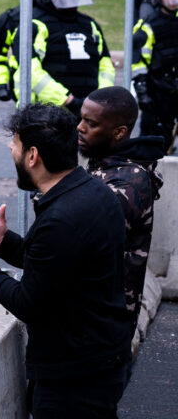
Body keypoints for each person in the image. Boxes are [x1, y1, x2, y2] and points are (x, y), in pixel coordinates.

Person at [0, 102, 132, 418]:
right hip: (100, 359)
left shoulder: (61, 218)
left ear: (32, 156)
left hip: (74, 378)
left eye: (16, 144)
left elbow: (28, 302)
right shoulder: (91, 190)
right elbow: (57, 268)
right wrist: (3, 240)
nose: (10, 149)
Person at [78, 86, 165, 339]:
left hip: (105, 325)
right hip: (92, 316)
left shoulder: (129, 181)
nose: (79, 128)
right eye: (81, 118)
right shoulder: (105, 164)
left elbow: (82, 232)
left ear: (119, 132)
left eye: (90, 123)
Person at [12, 0, 115, 116]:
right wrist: (68, 101)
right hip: (47, 112)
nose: (72, 2)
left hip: (89, 110)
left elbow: (105, 65)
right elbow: (30, 71)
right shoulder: (33, 25)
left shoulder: (90, 24)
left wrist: (99, 100)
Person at [132, 0, 178, 153]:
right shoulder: (147, 27)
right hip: (157, 90)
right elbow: (138, 63)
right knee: (154, 136)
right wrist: (143, 92)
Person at [0, 0, 46, 102]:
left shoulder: (54, 16)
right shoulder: (10, 19)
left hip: (51, 80)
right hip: (21, 81)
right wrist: (1, 85)